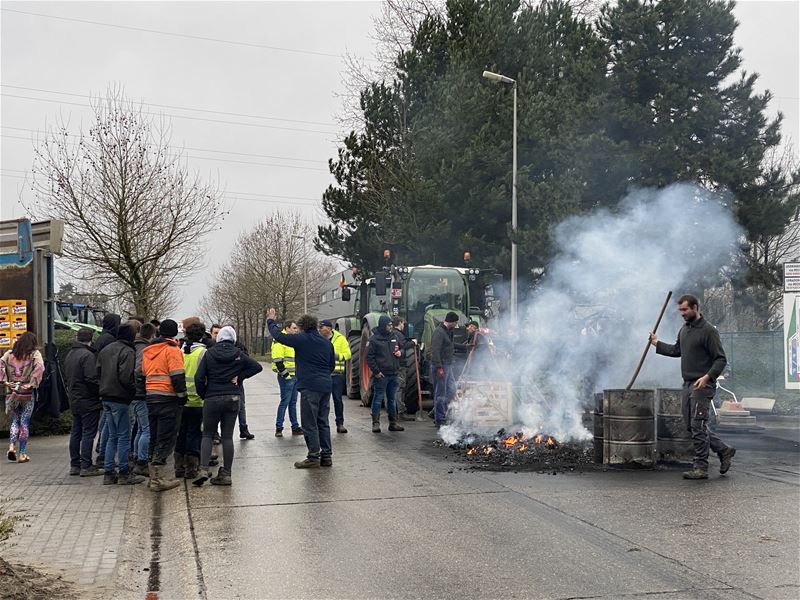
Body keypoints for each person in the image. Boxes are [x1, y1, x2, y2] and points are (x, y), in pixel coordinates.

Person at [650, 294, 736, 480]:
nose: (682, 313)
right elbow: (676, 350)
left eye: (685, 309)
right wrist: (657, 343)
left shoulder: (708, 331)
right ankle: (723, 449)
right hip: (687, 384)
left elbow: (720, 359)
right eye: (680, 310)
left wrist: (707, 377)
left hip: (702, 386)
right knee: (691, 426)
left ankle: (701, 468)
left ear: (696, 307)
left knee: (698, 425)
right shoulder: (684, 330)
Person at [193, 326, 262, 486]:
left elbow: (198, 377)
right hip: (232, 397)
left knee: (208, 435)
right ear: (233, 338)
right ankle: (226, 474)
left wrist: (204, 394)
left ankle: (203, 469)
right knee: (227, 436)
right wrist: (240, 377)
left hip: (212, 397)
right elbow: (257, 367)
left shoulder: (209, 353)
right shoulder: (238, 354)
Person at [267, 308, 335, 469]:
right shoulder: (327, 343)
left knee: (309, 423)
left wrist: (271, 321)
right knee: (323, 421)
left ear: (302, 327)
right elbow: (331, 365)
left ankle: (313, 456)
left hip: (309, 386)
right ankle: (327, 456)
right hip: (325, 386)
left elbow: (279, 336)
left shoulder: (301, 339)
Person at [142, 319, 187, 492]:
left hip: (151, 397)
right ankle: (158, 479)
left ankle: (152, 475)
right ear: (175, 333)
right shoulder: (172, 350)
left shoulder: (148, 350)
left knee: (154, 436)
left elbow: (141, 374)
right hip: (168, 398)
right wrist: (182, 397)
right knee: (166, 437)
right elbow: (177, 376)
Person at [97, 323, 144, 485]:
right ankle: (124, 472)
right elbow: (126, 377)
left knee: (112, 436)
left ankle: (109, 473)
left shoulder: (106, 350)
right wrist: (133, 391)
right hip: (121, 398)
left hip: (106, 397)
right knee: (124, 436)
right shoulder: (128, 351)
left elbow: (98, 372)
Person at [64, 327, 102, 477]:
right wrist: (99, 393)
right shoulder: (87, 356)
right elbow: (91, 379)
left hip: (74, 399)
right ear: (90, 339)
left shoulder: (70, 354)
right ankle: (86, 465)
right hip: (88, 400)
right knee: (88, 433)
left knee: (76, 432)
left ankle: (75, 464)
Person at [1, 332, 44, 463]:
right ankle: (21, 454)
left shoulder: (9, 354)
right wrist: (32, 383)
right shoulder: (34, 354)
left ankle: (11, 446)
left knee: (15, 420)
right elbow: (40, 367)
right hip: (26, 392)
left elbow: (0, 364)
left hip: (12, 391)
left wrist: (5, 381)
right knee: (24, 422)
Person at [175, 322, 207, 480]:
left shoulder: (180, 351)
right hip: (197, 400)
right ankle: (191, 467)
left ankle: (178, 465)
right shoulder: (203, 353)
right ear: (202, 335)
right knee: (194, 433)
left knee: (181, 432)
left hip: (181, 400)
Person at [365, 315, 405, 433]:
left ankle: (393, 423)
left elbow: (402, 348)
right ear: (383, 325)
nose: (391, 327)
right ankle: (376, 423)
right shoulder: (374, 340)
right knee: (378, 398)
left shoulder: (394, 336)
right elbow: (369, 357)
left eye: (392, 325)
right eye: (389, 325)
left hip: (394, 373)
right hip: (382, 375)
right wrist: (376, 372)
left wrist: (400, 352)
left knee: (392, 399)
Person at [94, 313, 121, 465]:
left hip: (103, 386)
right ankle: (103, 451)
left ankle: (102, 450)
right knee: (107, 423)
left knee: (106, 420)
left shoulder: (101, 338)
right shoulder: (110, 340)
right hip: (109, 387)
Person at [131, 322, 156, 476]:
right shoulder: (145, 350)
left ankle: (136, 456)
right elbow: (139, 369)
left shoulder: (133, 346)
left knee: (140, 428)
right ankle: (141, 461)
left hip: (134, 393)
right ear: (152, 335)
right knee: (146, 429)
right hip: (141, 393)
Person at [319, 320, 351, 434]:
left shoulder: (340, 339)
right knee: (323, 401)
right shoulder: (318, 339)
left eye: (321, 327)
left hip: (337, 374)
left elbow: (347, 354)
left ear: (328, 328)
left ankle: (340, 423)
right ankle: (323, 424)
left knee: (337, 399)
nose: (320, 329)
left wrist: (335, 356)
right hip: (323, 374)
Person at [430, 312, 462, 427]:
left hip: (448, 365)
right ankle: (439, 419)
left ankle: (436, 411)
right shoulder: (439, 333)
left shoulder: (448, 332)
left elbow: (451, 345)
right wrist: (439, 367)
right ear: (452, 322)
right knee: (440, 393)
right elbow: (435, 350)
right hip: (441, 366)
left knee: (452, 389)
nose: (456, 325)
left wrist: (465, 346)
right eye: (456, 322)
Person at [272, 320, 303, 437]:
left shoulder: (291, 341)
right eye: (294, 328)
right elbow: (278, 360)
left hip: (294, 376)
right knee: (285, 402)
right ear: (287, 328)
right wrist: (286, 375)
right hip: (286, 377)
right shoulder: (280, 341)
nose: (296, 331)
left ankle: (295, 426)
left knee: (293, 402)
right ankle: (279, 427)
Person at [391, 316, 417, 421]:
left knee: (397, 387)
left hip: (395, 364)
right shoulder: (399, 335)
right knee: (400, 387)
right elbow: (404, 345)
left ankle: (395, 411)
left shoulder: (393, 334)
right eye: (403, 324)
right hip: (400, 365)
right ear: (400, 323)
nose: (404, 326)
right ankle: (400, 411)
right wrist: (413, 343)